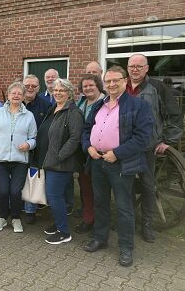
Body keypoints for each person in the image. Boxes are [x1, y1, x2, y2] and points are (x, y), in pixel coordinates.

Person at [82, 66, 154, 267]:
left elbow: (142, 138)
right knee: (100, 203)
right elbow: (86, 130)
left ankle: (125, 247)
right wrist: (88, 147)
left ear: (125, 81)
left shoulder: (137, 105)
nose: (111, 84)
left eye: (116, 80)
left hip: (121, 164)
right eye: (108, 81)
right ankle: (100, 238)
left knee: (124, 207)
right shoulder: (99, 105)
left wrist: (117, 153)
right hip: (97, 161)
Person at [126, 53, 183, 242]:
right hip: (124, 146)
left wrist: (166, 140)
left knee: (148, 186)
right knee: (124, 184)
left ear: (147, 68)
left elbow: (174, 115)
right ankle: (126, 220)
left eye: (139, 66)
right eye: (131, 66)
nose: (135, 69)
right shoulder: (121, 87)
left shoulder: (158, 87)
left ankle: (147, 225)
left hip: (147, 146)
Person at [35, 79, 84, 244]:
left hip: (62, 163)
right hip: (50, 161)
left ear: (69, 93)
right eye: (55, 90)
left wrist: (60, 156)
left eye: (61, 90)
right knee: (55, 196)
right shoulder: (54, 109)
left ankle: (64, 232)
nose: (57, 93)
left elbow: (75, 138)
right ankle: (58, 223)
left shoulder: (73, 112)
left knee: (54, 195)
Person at [0, 82, 36, 233]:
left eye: (19, 93)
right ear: (8, 95)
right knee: (2, 191)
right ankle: (1, 217)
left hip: (20, 160)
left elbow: (34, 137)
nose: (16, 96)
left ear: (23, 96)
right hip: (0, 160)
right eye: (13, 93)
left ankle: (15, 218)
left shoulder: (29, 116)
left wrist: (28, 144)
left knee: (15, 191)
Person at [75, 74, 106, 234]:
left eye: (91, 85)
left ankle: (98, 223)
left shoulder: (105, 103)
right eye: (85, 86)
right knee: (86, 188)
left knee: (99, 191)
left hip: (99, 153)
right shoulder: (82, 102)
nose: (88, 88)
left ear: (98, 85)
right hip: (83, 151)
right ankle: (89, 219)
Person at [22, 74, 51, 223]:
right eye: (27, 86)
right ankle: (14, 206)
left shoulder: (46, 105)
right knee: (16, 178)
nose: (30, 88)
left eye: (34, 86)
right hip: (17, 149)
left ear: (39, 88)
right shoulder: (15, 101)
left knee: (32, 179)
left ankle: (30, 210)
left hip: (37, 150)